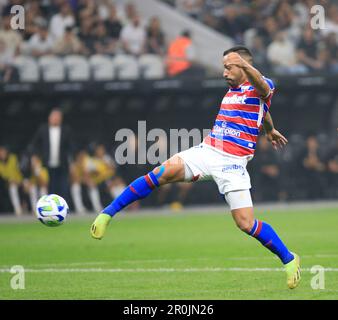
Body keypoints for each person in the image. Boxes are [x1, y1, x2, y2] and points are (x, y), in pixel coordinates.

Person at [90, 46, 301, 289]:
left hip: (234, 163)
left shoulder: (264, 84)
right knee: (160, 173)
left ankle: (289, 259)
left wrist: (242, 65)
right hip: (208, 151)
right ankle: (108, 213)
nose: (224, 73)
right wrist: (270, 129)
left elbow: (263, 92)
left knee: (245, 224)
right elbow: (262, 110)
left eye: (228, 67)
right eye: (224, 67)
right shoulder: (234, 91)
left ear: (243, 65)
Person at [28, 109, 75, 203]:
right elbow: (34, 145)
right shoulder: (43, 129)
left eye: (58, 117)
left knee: (63, 188)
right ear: (49, 118)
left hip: (62, 165)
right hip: (46, 164)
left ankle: (63, 208)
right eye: (54, 117)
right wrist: (35, 157)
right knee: (48, 187)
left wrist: (72, 162)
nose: (56, 119)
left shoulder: (66, 130)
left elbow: (71, 146)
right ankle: (48, 208)